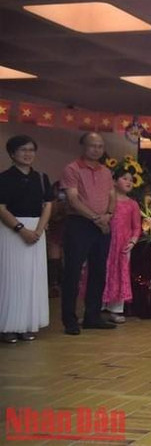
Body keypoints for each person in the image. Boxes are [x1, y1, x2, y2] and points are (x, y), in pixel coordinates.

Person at [61, 132, 116, 334]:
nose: (96, 150)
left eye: (100, 146)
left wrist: (108, 215)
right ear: (83, 146)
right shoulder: (72, 169)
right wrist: (95, 218)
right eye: (92, 145)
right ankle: (70, 320)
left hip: (103, 225)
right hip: (79, 224)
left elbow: (112, 196)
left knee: (99, 271)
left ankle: (92, 316)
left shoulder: (106, 171)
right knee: (73, 273)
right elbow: (73, 200)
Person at [0, 135, 53, 343]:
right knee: (11, 278)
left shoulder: (41, 177)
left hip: (37, 231)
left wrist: (38, 230)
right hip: (11, 230)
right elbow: (1, 208)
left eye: (31, 149)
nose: (28, 154)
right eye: (23, 150)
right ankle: (8, 326)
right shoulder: (4, 178)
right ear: (12, 154)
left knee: (32, 278)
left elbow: (48, 204)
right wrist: (21, 229)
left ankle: (26, 324)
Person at [101, 166, 141, 324]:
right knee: (101, 272)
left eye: (131, 180)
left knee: (120, 274)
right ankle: (95, 306)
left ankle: (115, 309)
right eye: (124, 178)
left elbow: (137, 226)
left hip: (123, 245)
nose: (129, 182)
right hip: (105, 241)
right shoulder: (106, 200)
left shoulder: (132, 204)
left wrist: (132, 241)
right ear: (114, 181)